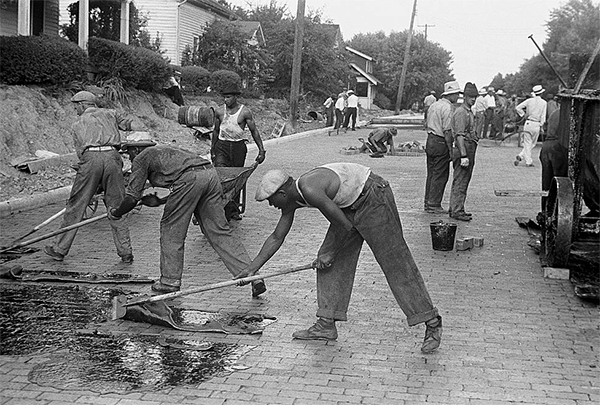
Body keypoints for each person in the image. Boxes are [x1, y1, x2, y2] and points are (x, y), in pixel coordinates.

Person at [235, 163, 442, 353]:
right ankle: (326, 324)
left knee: (395, 261)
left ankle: (431, 322)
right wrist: (253, 269)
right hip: (348, 207)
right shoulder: (291, 199)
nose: (271, 205)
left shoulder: (309, 189)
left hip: (373, 197)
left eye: (270, 200)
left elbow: (345, 227)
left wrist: (331, 253)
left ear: (282, 193)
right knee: (325, 262)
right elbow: (276, 236)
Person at [108, 133, 266, 297]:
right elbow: (188, 184)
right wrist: (161, 201)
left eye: (130, 152)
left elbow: (132, 198)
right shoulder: (166, 150)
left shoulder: (141, 158)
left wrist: (116, 212)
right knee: (220, 231)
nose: (131, 156)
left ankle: (169, 282)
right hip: (210, 175)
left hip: (190, 180)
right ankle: (253, 275)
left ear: (136, 149)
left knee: (171, 229)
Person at [44, 91, 136, 263]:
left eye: (75, 107)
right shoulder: (111, 113)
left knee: (76, 205)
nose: (75, 110)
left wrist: (91, 175)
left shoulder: (78, 123)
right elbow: (132, 124)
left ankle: (59, 249)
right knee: (117, 206)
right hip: (112, 157)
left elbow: (80, 153)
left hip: (91, 159)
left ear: (82, 105)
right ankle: (126, 252)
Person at [212, 80, 266, 221]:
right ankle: (220, 208)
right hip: (222, 147)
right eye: (224, 97)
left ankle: (233, 209)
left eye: (229, 97)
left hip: (238, 147)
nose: (226, 100)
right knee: (221, 177)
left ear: (235, 97)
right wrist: (213, 150)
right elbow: (216, 131)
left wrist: (261, 150)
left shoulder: (245, 112)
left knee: (236, 178)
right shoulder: (219, 111)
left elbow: (254, 131)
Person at [424, 80, 461, 214]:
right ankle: (434, 204)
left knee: (431, 173)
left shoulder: (434, 105)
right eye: (456, 94)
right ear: (450, 95)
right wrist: (450, 149)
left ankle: (428, 202)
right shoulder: (448, 108)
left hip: (430, 140)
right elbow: (447, 131)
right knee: (440, 174)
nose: (457, 97)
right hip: (440, 142)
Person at [449, 82, 479, 222]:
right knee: (460, 180)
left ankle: (456, 207)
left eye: (475, 97)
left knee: (463, 179)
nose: (473, 99)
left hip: (469, 146)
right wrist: (463, 155)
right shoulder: (461, 112)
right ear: (465, 97)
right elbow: (459, 135)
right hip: (464, 148)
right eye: (471, 97)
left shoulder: (468, 111)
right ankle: (456, 210)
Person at [514, 85, 547, 168]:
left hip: (528, 123)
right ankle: (528, 161)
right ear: (541, 93)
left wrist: (523, 114)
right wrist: (542, 126)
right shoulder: (544, 103)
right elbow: (543, 116)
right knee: (532, 144)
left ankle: (521, 155)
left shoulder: (529, 101)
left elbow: (518, 107)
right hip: (536, 124)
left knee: (527, 143)